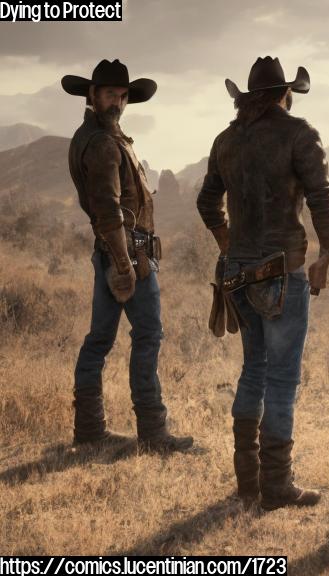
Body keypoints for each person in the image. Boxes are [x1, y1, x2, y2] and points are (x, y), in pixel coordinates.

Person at [197, 56, 329, 510]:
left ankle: (247, 481)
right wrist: (326, 254)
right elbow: (322, 197)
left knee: (253, 368)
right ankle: (276, 486)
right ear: (285, 94)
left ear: (246, 99)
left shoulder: (225, 140)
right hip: (283, 268)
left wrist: (228, 244)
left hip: (237, 271)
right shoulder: (299, 133)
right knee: (280, 377)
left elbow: (206, 201)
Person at [63, 59, 193, 454]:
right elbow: (108, 209)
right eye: (110, 95)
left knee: (100, 339)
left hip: (113, 249)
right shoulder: (103, 143)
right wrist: (125, 265)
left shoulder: (97, 136)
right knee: (148, 336)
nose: (118, 102)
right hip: (128, 252)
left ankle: (89, 431)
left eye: (122, 96)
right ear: (92, 95)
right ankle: (153, 434)